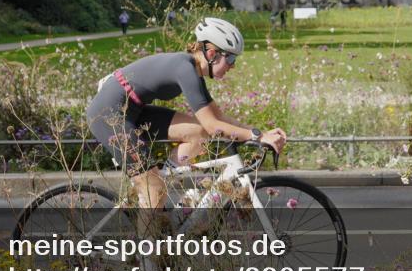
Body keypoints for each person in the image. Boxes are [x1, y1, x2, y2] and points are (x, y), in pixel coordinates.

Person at [86, 17, 287, 232]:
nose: (233, 66)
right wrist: (256, 137)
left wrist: (258, 133)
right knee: (154, 189)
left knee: (197, 133)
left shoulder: (192, 69)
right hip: (108, 114)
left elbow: (217, 118)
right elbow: (214, 125)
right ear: (212, 53)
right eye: (230, 60)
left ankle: (165, 185)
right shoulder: (185, 69)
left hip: (132, 110)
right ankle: (147, 261)